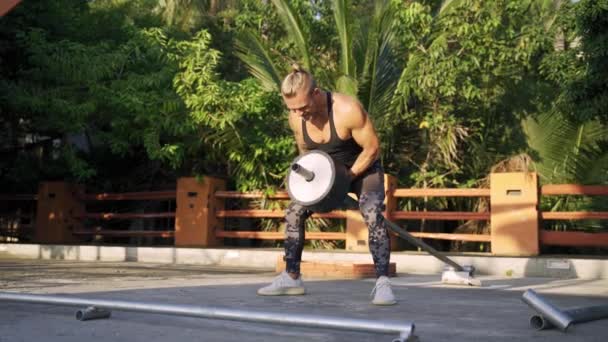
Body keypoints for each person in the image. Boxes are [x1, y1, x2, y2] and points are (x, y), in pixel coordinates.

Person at [257, 64, 396, 305]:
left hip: (361, 169)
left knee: (373, 213)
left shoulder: (347, 109)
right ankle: (292, 278)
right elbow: (306, 153)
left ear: (316, 93)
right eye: (293, 109)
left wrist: (344, 180)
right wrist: (318, 185)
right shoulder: (297, 118)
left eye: (303, 107)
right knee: (293, 212)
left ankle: (383, 283)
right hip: (324, 174)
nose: (299, 113)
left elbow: (372, 148)